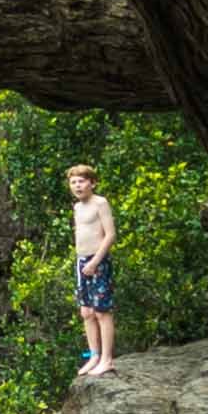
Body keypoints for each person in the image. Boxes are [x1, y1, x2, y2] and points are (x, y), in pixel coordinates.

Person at [64, 159, 119, 380]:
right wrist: (82, 261)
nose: (77, 186)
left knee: (101, 312)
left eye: (82, 181)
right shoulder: (77, 206)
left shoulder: (100, 203)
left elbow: (110, 235)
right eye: (73, 182)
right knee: (86, 312)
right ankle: (94, 355)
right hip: (81, 262)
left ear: (92, 183)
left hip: (98, 263)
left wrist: (96, 261)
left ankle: (107, 359)